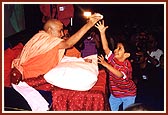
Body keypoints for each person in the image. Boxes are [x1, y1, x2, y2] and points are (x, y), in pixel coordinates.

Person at [11, 13, 102, 81]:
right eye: (60, 31)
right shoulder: (45, 39)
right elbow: (68, 44)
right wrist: (89, 24)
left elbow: (58, 57)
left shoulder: (44, 38)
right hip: (28, 76)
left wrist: (80, 61)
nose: (62, 34)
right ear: (50, 30)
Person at [95, 20, 136, 111]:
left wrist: (106, 64)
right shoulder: (113, 59)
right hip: (115, 94)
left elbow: (119, 74)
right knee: (111, 110)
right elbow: (105, 48)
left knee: (128, 111)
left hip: (128, 94)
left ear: (126, 55)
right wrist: (102, 32)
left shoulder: (126, 66)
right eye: (116, 47)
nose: (116, 50)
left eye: (119, 49)